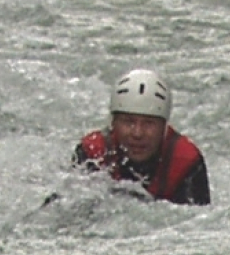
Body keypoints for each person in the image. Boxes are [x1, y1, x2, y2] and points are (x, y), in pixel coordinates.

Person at [73, 68, 211, 206]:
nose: (137, 133)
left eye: (149, 123)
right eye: (128, 122)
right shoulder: (92, 152)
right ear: (113, 123)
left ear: (165, 127)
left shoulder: (187, 163)